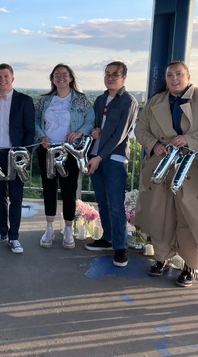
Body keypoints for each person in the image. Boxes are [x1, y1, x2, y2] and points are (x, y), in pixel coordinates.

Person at [134, 61, 198, 287]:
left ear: (188, 77)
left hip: (195, 167)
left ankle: (191, 265)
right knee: (161, 214)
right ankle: (161, 258)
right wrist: (154, 144)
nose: (174, 79)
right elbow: (141, 128)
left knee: (191, 216)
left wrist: (189, 140)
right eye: (170, 75)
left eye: (179, 74)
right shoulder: (155, 102)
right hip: (162, 167)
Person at [34, 64, 95, 250]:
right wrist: (41, 136)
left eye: (64, 74)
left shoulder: (80, 100)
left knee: (69, 189)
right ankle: (49, 228)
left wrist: (79, 132)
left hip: (69, 150)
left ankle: (68, 229)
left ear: (70, 78)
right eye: (57, 75)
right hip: (47, 150)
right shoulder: (44, 101)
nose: (60, 78)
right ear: (52, 79)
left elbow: (90, 121)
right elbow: (34, 121)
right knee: (49, 188)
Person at [84, 61, 139, 267]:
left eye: (115, 74)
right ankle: (107, 238)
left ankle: (120, 247)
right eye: (107, 73)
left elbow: (120, 135)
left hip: (114, 158)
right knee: (102, 201)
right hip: (96, 155)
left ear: (123, 77)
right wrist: (95, 131)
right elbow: (97, 126)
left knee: (116, 204)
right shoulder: (100, 100)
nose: (110, 77)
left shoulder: (129, 101)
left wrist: (99, 157)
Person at [0, 63, 35, 254]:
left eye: (6, 76)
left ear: (12, 78)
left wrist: (24, 155)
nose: (2, 80)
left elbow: (30, 131)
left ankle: (14, 236)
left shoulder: (24, 100)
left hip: (15, 154)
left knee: (15, 196)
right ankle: (1, 231)